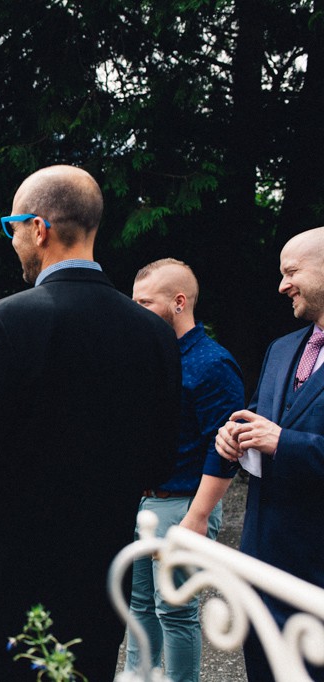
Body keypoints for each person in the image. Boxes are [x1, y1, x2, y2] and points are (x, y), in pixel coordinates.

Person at [0, 165, 181, 681]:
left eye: (13, 228)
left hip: (5, 580)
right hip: (98, 584)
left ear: (39, 228)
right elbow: (161, 458)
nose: (13, 241)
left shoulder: (4, 321)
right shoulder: (153, 334)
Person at [124, 258, 244, 682]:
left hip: (184, 504)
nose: (134, 309)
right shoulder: (151, 355)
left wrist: (197, 516)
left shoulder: (214, 363)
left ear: (178, 302)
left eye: (144, 301)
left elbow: (226, 448)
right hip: (145, 501)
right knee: (139, 606)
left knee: (174, 610)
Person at [216, 226, 324, 682]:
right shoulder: (281, 348)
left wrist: (285, 442)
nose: (282, 285)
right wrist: (232, 441)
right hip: (262, 565)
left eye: (291, 271)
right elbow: (258, 420)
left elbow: (280, 437)